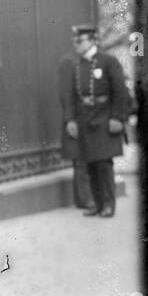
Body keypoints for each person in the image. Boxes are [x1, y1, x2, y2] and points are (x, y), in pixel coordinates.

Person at [64, 23, 131, 217]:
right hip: (85, 119)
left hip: (105, 118)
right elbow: (72, 96)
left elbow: (121, 91)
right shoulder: (78, 65)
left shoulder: (108, 61)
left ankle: (109, 204)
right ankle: (97, 203)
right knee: (89, 163)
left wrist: (118, 117)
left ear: (93, 40)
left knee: (103, 164)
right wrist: (71, 120)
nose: (76, 44)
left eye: (80, 40)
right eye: (75, 41)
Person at [58, 49, 96, 211]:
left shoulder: (93, 60)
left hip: (91, 118)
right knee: (81, 160)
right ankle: (85, 199)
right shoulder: (69, 61)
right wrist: (70, 119)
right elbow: (66, 93)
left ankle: (86, 197)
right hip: (77, 118)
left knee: (90, 158)